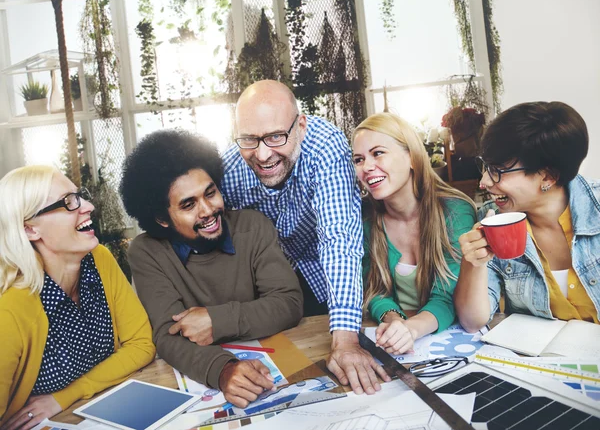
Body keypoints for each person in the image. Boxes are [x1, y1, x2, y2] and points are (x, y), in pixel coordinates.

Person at [221, 80, 390, 395]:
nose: (262, 154)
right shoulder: (228, 169)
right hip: (270, 292)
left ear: (300, 125)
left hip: (328, 279)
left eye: (275, 137)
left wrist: (346, 341)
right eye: (249, 140)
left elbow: (338, 240)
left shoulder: (325, 146)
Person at [120, 130, 303, 409]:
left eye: (210, 193)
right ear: (162, 218)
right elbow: (167, 336)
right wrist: (223, 370)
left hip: (277, 365)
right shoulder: (147, 252)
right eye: (188, 204)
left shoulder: (253, 226)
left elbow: (288, 303)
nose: (207, 210)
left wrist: (216, 321)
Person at [0, 166, 155, 429]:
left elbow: (141, 344)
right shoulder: (10, 308)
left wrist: (64, 397)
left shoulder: (100, 260)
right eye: (68, 202)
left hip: (107, 411)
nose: (89, 206)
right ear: (30, 230)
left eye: (79, 195)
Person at [454, 101, 600, 332]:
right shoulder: (492, 221)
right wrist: (474, 263)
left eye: (497, 171)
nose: (484, 182)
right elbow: (473, 322)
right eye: (485, 167)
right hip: (535, 363)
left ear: (548, 177)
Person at [352, 113, 476, 354]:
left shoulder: (455, 211)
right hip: (397, 340)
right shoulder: (365, 218)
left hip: (453, 339)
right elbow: (374, 291)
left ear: (411, 157)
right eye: (358, 159)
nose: (367, 167)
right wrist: (394, 321)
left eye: (378, 153)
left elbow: (447, 296)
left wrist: (411, 329)